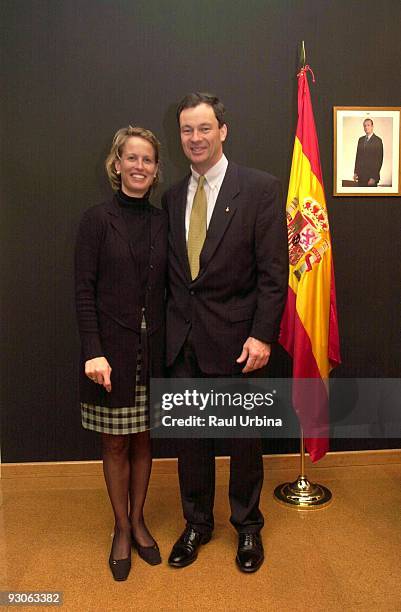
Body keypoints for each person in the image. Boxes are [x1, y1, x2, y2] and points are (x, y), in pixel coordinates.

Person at [162, 93, 288, 573]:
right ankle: (196, 524)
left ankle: (248, 527)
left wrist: (262, 336)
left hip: (239, 344)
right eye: (187, 130)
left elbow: (274, 275)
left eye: (204, 128)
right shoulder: (173, 197)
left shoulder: (259, 189)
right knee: (191, 443)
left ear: (223, 130)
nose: (195, 139)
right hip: (183, 343)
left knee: (242, 442)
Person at [75, 126, 167, 581]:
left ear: (155, 170)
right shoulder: (96, 220)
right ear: (116, 164)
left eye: (147, 160)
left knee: (145, 438)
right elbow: (83, 292)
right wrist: (93, 351)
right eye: (131, 158)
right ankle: (120, 528)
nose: (139, 167)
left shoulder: (163, 219)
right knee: (115, 441)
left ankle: (140, 519)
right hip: (111, 352)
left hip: (154, 351)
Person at [353, 118, 383, 186]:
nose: (366, 127)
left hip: (371, 178)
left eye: (368, 125)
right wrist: (355, 172)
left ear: (372, 126)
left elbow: (379, 160)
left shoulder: (378, 141)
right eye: (364, 126)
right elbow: (358, 157)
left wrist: (373, 177)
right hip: (361, 177)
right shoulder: (360, 140)